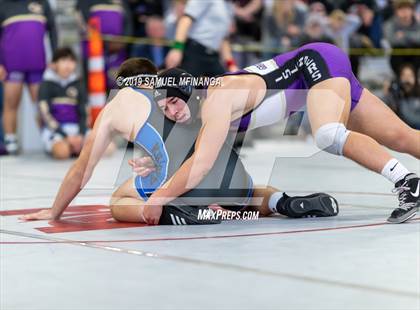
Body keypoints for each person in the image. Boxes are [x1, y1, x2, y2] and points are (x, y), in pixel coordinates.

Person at [19, 58, 339, 224]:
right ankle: (283, 202)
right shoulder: (188, 98)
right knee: (249, 190)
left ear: (125, 83)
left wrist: (55, 211)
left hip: (185, 185)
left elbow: (82, 170)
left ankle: (178, 211)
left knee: (119, 199)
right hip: (231, 179)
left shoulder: (117, 104)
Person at [146, 42, 420, 224]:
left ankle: (407, 182)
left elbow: (202, 164)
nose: (171, 112)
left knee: (327, 134)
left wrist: (158, 198)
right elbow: (215, 168)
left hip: (314, 63)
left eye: (173, 101)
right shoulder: (206, 116)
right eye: (164, 109)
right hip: (319, 70)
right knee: (402, 137)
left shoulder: (218, 99)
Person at [0, 0, 57, 154]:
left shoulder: (43, 3)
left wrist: (56, 58)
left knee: (41, 105)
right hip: (12, 64)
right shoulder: (3, 4)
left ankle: (48, 140)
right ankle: (11, 139)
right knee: (11, 103)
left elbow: (53, 30)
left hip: (37, 63)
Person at [165, 0, 238, 76]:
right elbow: (185, 20)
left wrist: (231, 65)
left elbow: (223, 39)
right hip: (194, 52)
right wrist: (177, 48)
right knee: (185, 85)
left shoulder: (230, 7)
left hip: (213, 56)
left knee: (223, 85)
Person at [38, 48, 87, 159]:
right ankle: (72, 149)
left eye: (71, 61)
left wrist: (81, 134)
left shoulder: (78, 84)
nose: (68, 65)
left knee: (109, 148)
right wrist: (66, 136)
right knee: (62, 152)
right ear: (54, 64)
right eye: (64, 60)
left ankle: (76, 148)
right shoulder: (46, 85)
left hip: (77, 130)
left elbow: (84, 112)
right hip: (56, 131)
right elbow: (45, 115)